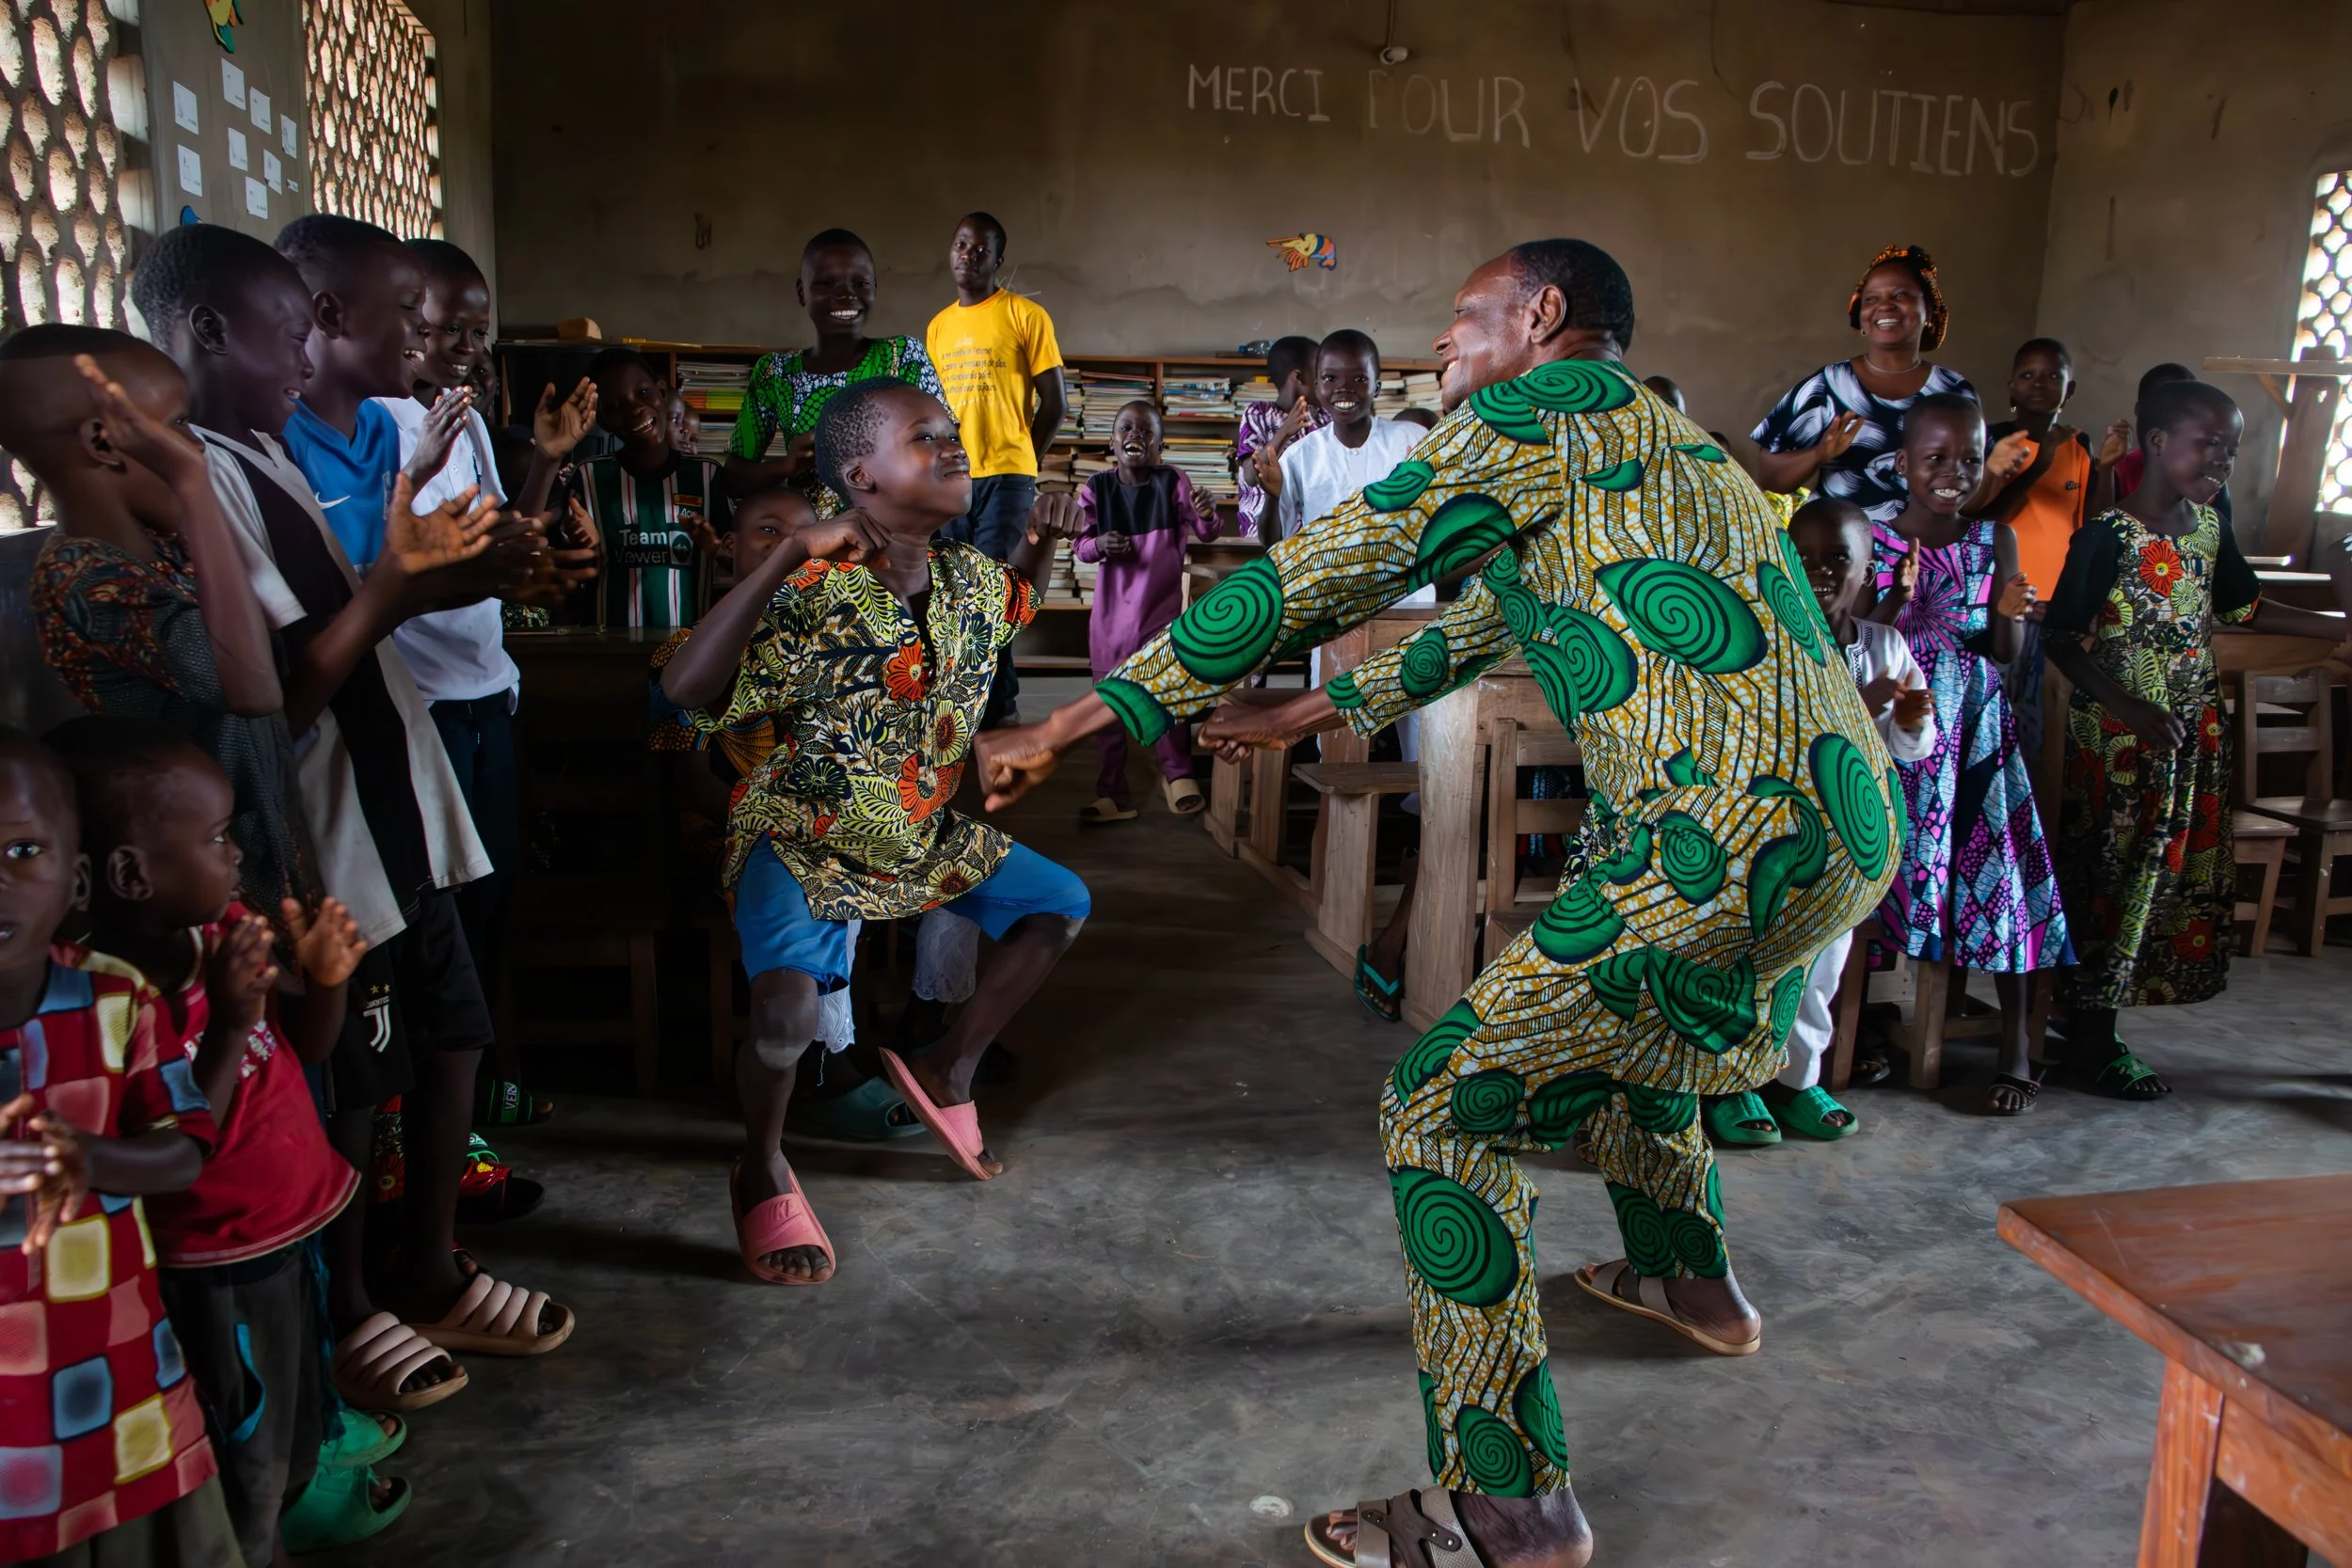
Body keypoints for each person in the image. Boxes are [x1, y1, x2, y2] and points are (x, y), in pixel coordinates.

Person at [976, 240, 1899, 1568]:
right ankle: (1690, 1278)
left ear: (1540, 316)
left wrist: (1070, 719)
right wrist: (1313, 703)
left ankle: (1507, 1504)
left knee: (1440, 1104)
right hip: (1842, 822)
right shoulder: (1668, 441)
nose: (1445, 349)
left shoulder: (1534, 413)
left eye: (1463, 321)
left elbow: (1323, 568)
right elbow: (1491, 620)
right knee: (1625, 1020)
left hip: (1713, 837)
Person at [133, 221, 571, 1403]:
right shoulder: (202, 476)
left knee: (454, 1039)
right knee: (359, 1086)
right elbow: (282, 694)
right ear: (212, 331)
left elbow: (369, 601)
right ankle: (359, 1299)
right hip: (330, 837)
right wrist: (397, 580)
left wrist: (468, 569)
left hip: (400, 816)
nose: (306, 355)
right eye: (293, 333)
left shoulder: (264, 455)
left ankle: (425, 1263)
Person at [658, 379, 1089, 1284]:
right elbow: (686, 689)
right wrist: (785, 558)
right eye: (925, 437)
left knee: (1059, 904)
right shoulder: (815, 590)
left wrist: (1044, 545)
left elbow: (1015, 606)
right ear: (859, 475)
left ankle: (947, 1068)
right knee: (784, 1017)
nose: (954, 446)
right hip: (805, 830)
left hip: (915, 831)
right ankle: (763, 1163)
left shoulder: (970, 578)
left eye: (954, 434)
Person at [49, 719, 405, 1560]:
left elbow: (313, 1046)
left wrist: (324, 981)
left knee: (290, 1428)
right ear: (133, 872)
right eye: (214, 837)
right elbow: (176, 1143)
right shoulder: (107, 1000)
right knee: (240, 1448)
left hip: (284, 1242)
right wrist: (230, 1021)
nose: (236, 852)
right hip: (211, 1267)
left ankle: (283, 1515)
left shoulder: (221, 930)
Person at [2043, 380, 2349, 1101]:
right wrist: (2132, 709)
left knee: (2163, 879)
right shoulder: (2106, 536)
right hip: (2119, 741)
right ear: (2157, 442)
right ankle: (2091, 1036)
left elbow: (2241, 603)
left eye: (2232, 449)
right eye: (2209, 444)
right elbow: (2060, 639)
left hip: (2189, 732)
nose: (2223, 461)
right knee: (2113, 878)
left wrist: (2339, 628)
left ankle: (2099, 1025)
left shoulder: (2209, 527)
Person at [0, 727, 238, 1567]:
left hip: (122, 1388)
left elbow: (183, 1149)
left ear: (75, 878)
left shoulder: (113, 997)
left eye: (23, 850)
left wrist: (91, 1158)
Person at [647, 486, 927, 1145]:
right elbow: (687, 782)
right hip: (725, 825)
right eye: (768, 533)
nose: (794, 548)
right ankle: (822, 1070)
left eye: (811, 534)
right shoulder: (687, 649)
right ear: (729, 551)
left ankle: (891, 1038)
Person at [12, 329, 312, 933]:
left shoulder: (165, 550)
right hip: (200, 905)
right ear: (106, 442)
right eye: (178, 426)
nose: (194, 446)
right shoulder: (84, 581)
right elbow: (252, 691)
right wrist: (193, 484)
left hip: (260, 869)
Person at [387, 238, 596, 1026]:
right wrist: (494, 570)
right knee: (439, 900)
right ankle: (442, 1102)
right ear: (408, 324)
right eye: (452, 331)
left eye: (480, 333)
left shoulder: (464, 418)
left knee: (494, 886)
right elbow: (412, 560)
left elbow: (507, 526)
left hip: (486, 685)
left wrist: (544, 461)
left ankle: (473, 1083)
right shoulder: (385, 421)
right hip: (427, 695)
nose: (471, 350)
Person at [1709, 499, 1937, 1146]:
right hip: (1771, 839)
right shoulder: (1767, 645)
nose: (1820, 570)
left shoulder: (1885, 646)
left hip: (1847, 849)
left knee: (1822, 969)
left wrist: (1912, 720)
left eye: (1840, 557)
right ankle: (1734, 1084)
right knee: (1755, 965)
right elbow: (1768, 742)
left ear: (1869, 569)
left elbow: (1908, 745)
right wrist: (1858, 709)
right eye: (1803, 555)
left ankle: (1795, 1080)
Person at [1869, 394, 2068, 1116]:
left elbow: (2006, 653)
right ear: (1903, 465)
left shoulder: (1996, 540)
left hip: (1978, 737)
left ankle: (2018, 1045)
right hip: (1898, 739)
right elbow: (1860, 640)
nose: (1954, 473)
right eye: (1935, 458)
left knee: (2005, 878)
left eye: (1970, 459)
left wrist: (2011, 617)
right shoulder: (1873, 536)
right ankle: (1860, 1030)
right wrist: (1896, 598)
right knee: (1873, 878)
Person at [1265, 329, 1435, 1020]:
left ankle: (1420, 858)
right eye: (1330, 380)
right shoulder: (1301, 455)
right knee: (1342, 750)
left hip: (1411, 620)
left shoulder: (1407, 442)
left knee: (1429, 761)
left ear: (1378, 379)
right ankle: (1337, 888)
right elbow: (1282, 550)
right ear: (1313, 386)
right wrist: (1271, 488)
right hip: (1340, 630)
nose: (1343, 392)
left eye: (1356, 379)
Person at [1751, 244, 2027, 525]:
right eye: (1871, 299)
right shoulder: (1828, 386)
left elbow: (1966, 501)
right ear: (1861, 317)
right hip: (1841, 554)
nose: (1884, 305)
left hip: (1924, 556)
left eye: (1900, 295)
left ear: (1929, 310)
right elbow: (1770, 478)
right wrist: (1819, 453)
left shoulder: (1954, 392)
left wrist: (1993, 470)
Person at [1072, 400, 1222, 822]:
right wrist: (1099, 545)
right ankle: (1113, 792)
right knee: (1108, 708)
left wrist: (1208, 513)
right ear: (1112, 441)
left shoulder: (1172, 481)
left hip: (1161, 616)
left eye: (1146, 431)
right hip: (1110, 621)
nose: (1134, 435)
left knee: (1168, 697)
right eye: (1125, 428)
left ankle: (1176, 774)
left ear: (1159, 446)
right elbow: (1080, 545)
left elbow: (1206, 532)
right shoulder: (1096, 487)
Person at [723, 229, 945, 509]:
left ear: (874, 288)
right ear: (802, 292)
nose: (845, 295)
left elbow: (945, 450)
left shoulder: (904, 356)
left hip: (896, 536)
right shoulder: (776, 374)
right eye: (826, 283)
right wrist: (787, 466)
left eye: (860, 283)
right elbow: (733, 477)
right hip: (812, 543)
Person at [1981, 338, 2111, 768]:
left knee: (2037, 726)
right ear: (2011, 389)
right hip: (2003, 603)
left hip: (2054, 608)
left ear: (2069, 390)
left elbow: (2090, 522)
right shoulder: (1995, 441)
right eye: (2028, 375)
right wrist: (2042, 460)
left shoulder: (2078, 445)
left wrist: (2106, 467)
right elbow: (1986, 513)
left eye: (2053, 376)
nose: (2039, 384)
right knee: (1995, 715)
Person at [570, 345, 727, 630]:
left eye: (643, 394)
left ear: (663, 394)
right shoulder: (589, 476)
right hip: (609, 650)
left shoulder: (708, 476)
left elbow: (734, 560)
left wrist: (719, 550)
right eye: (615, 406)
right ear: (603, 419)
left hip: (690, 650)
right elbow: (571, 571)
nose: (634, 410)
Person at [1233, 335, 1326, 546]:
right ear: (1299, 377)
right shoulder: (1257, 413)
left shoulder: (1323, 416)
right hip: (1263, 539)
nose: (1325, 380)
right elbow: (1249, 474)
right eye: (1320, 374)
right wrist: (1284, 432)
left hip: (1312, 539)